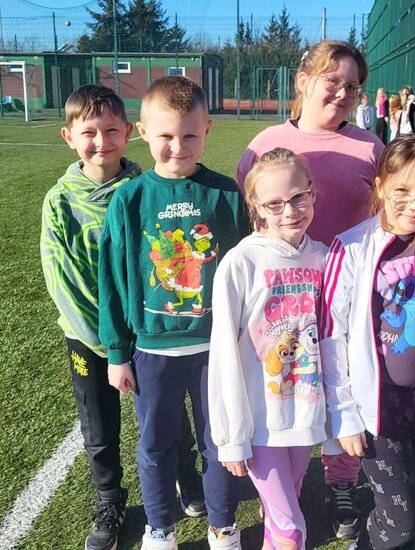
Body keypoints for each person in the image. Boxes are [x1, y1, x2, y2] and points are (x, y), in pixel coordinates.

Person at [40, 84, 205, 550]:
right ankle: (110, 500)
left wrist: (134, 337)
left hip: (146, 334)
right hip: (89, 339)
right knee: (99, 426)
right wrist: (107, 344)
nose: (101, 141)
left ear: (129, 132)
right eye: (89, 132)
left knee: (169, 418)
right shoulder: (60, 200)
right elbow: (63, 281)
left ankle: (185, 475)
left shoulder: (145, 190)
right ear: (69, 136)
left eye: (111, 130)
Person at [237, 40, 385, 539]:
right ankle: (286, 488)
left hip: (345, 296)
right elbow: (251, 219)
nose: (342, 93)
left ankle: (341, 481)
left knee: (345, 384)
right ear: (303, 81)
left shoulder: (370, 147)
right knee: (290, 386)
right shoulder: (264, 144)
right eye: (332, 81)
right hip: (284, 301)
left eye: (352, 86)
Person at [98, 76, 249, 550]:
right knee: (155, 445)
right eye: (165, 135)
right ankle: (159, 527)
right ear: (142, 131)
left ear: (207, 130)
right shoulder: (130, 199)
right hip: (152, 350)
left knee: (219, 442)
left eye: (189, 135)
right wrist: (117, 353)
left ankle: (222, 525)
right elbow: (113, 278)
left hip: (216, 349)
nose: (178, 147)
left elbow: (249, 271)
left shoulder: (226, 194)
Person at [321, 135, 415, 549]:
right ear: (379, 187)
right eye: (402, 190)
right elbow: (331, 334)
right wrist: (344, 413)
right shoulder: (351, 246)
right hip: (378, 406)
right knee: (401, 520)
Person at [209, 148, 328, 550]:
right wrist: (231, 437)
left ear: (312, 193)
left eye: (298, 197)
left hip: (305, 416)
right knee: (292, 530)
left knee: (282, 518)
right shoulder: (241, 262)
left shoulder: (325, 257)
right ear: (256, 207)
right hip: (261, 422)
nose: (289, 211)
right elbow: (223, 353)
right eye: (274, 203)